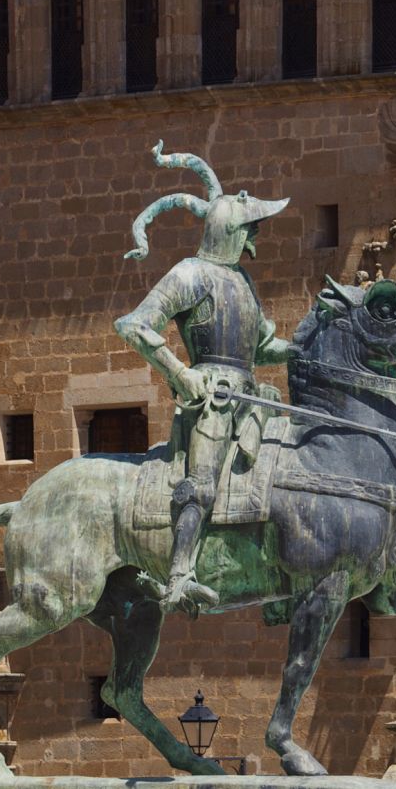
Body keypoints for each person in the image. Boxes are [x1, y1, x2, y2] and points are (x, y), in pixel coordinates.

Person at [115, 143, 288, 616]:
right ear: (232, 230)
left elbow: (263, 347)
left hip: (251, 396)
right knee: (203, 482)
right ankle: (180, 574)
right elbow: (133, 325)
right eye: (251, 228)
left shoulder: (244, 283)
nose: (256, 237)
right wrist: (180, 373)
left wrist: (305, 352)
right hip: (209, 397)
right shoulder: (190, 273)